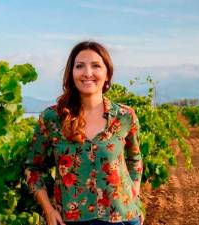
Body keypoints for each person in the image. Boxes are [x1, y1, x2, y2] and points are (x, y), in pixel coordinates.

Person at [24, 41, 144, 225]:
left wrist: (133, 197)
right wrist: (48, 209)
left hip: (122, 219)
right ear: (71, 73)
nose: (88, 73)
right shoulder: (52, 118)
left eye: (96, 65)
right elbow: (33, 168)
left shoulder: (125, 116)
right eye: (80, 66)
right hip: (70, 220)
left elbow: (135, 160)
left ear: (107, 73)